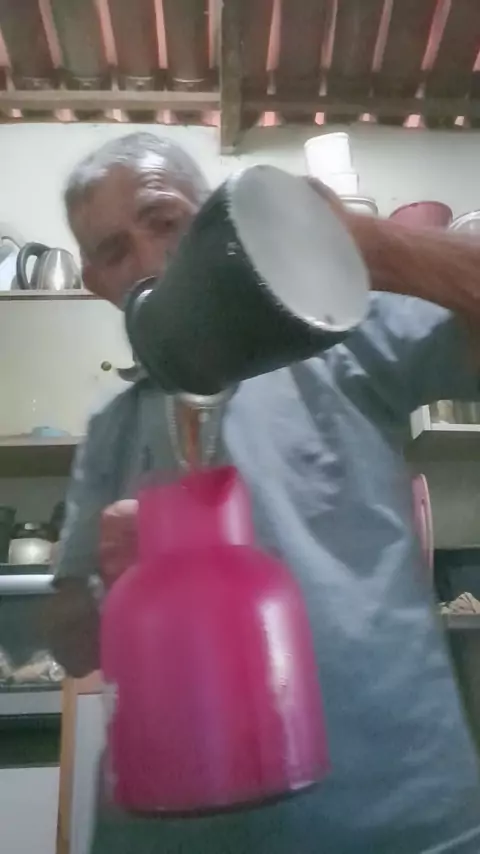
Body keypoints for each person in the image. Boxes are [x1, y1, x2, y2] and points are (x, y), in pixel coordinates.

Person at [46, 131, 480, 854]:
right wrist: (107, 590)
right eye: (116, 252)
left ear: (210, 217)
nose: (151, 261)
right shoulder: (110, 427)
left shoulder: (338, 335)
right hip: (168, 834)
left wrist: (368, 245)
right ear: (96, 281)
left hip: (398, 820)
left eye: (165, 221)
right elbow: (69, 644)